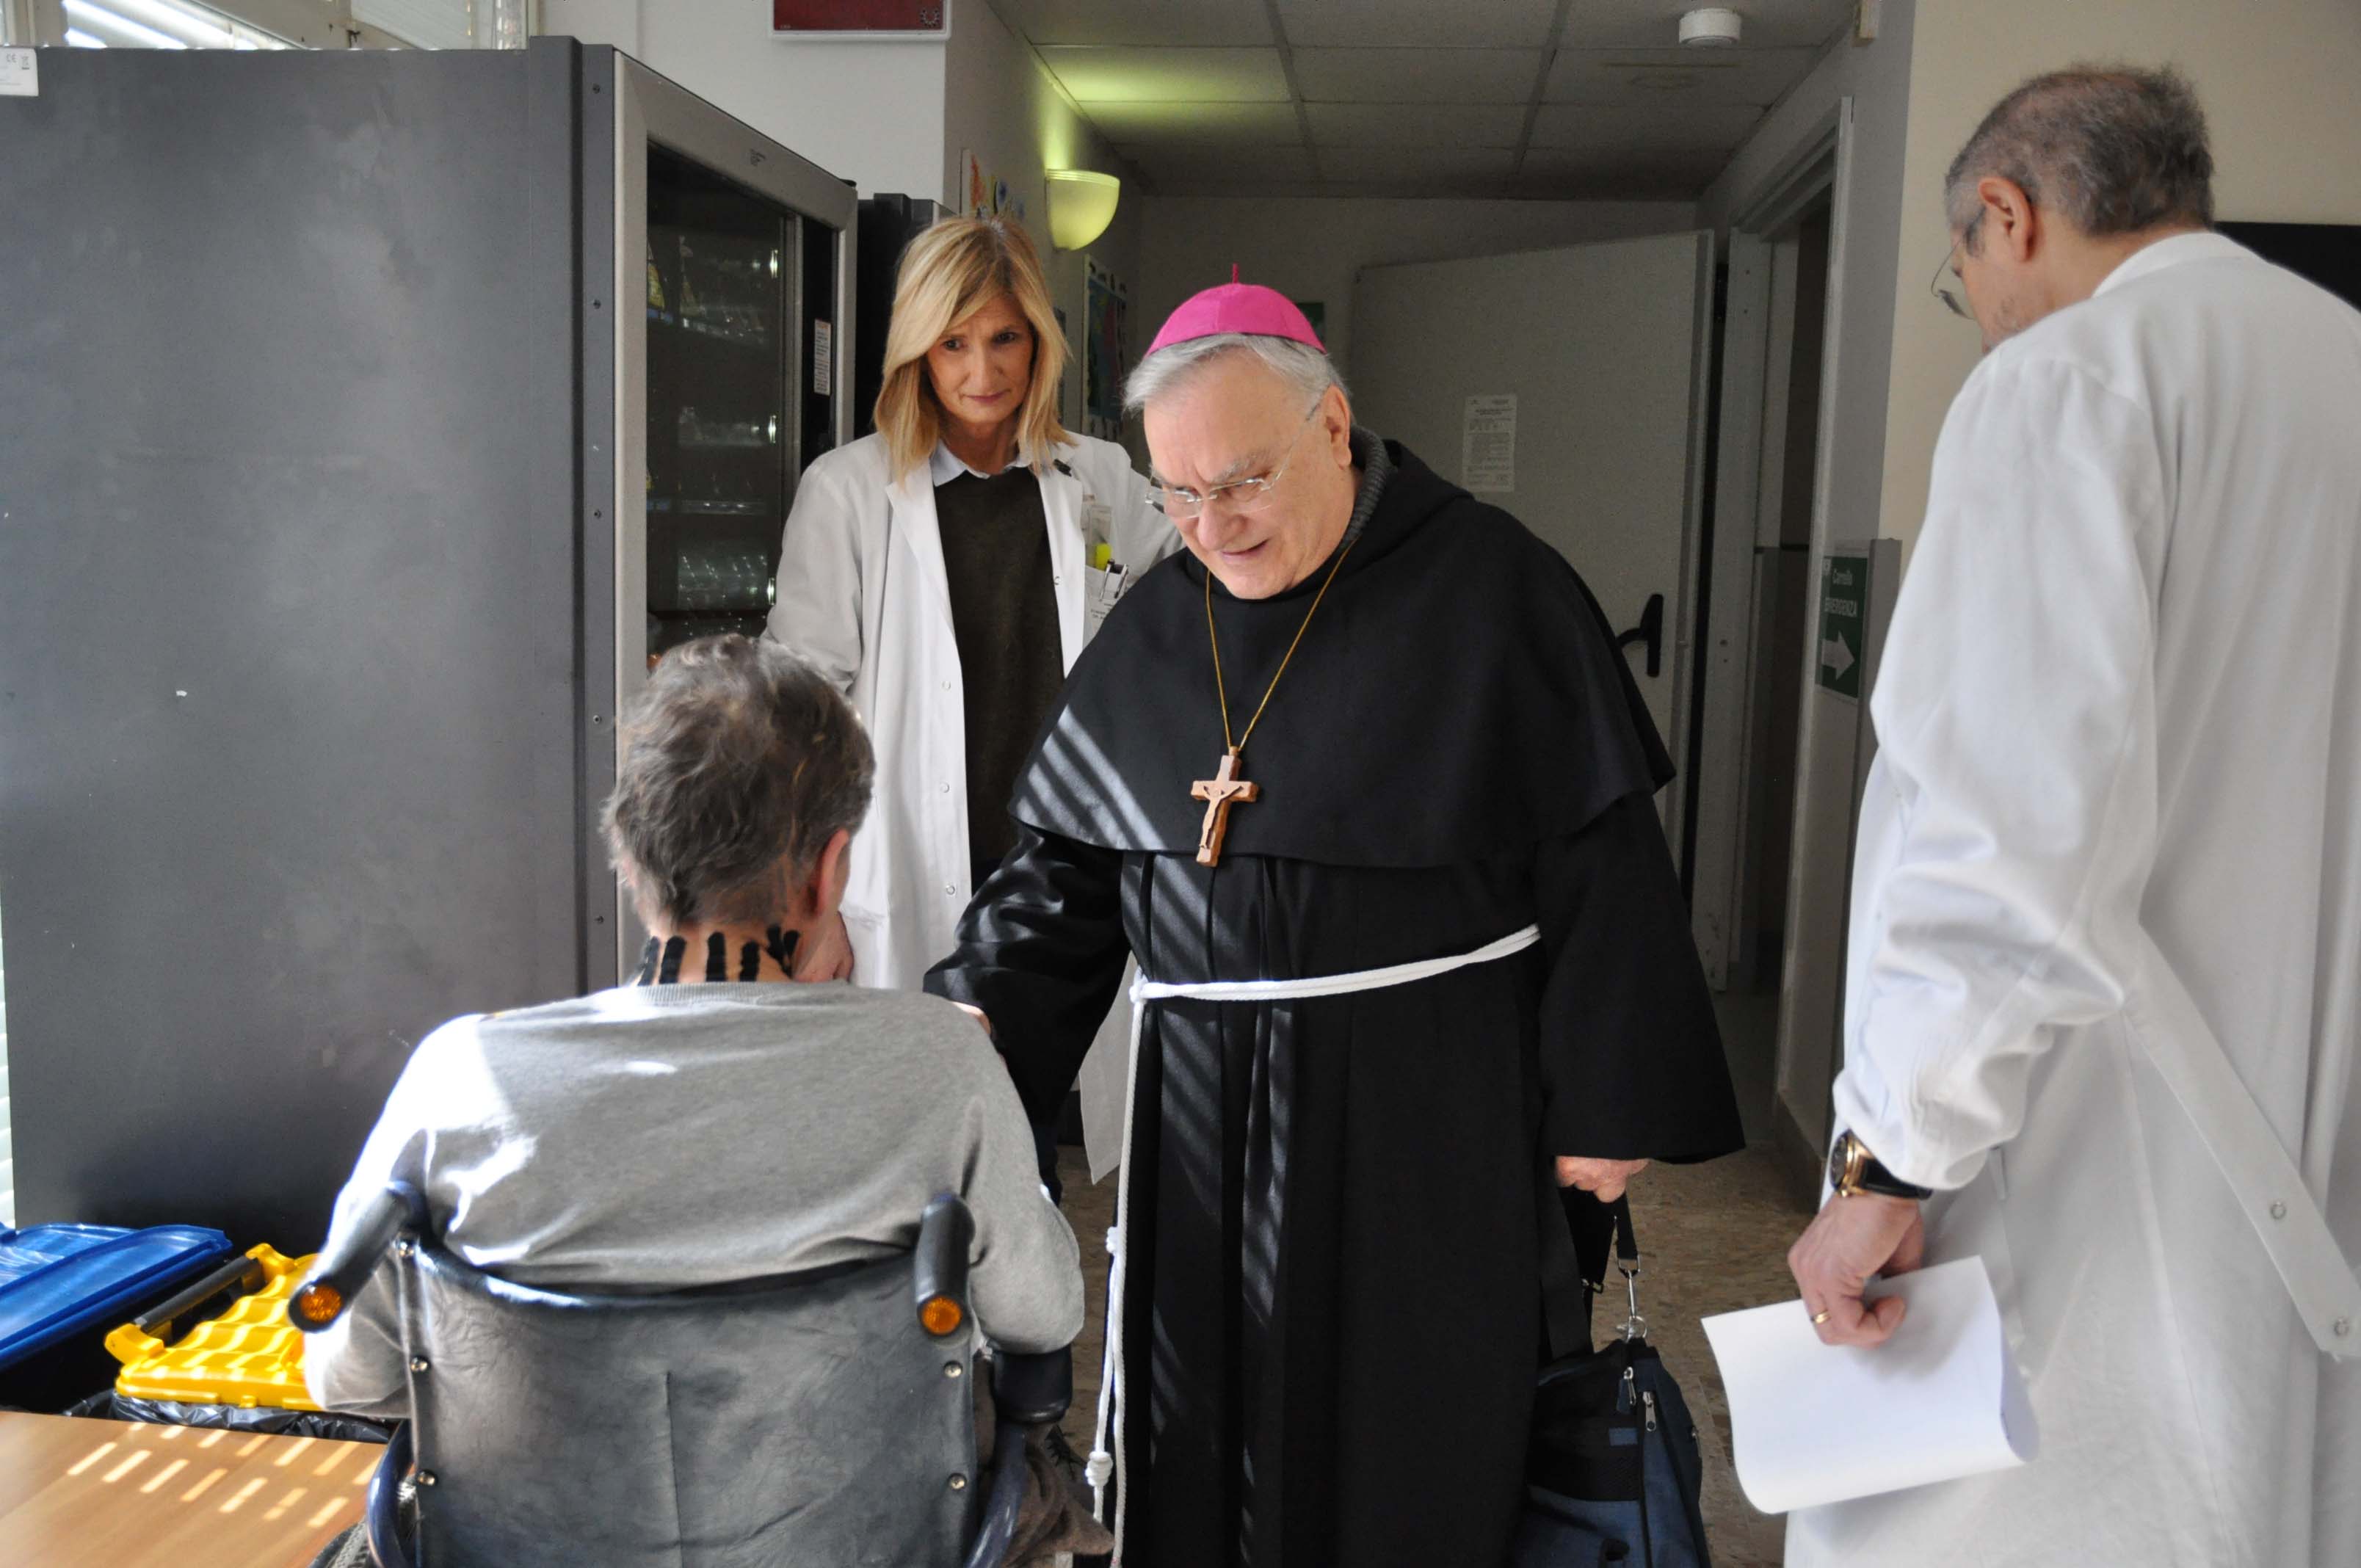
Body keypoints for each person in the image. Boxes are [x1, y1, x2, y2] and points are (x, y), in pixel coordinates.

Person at [924, 277, 1745, 1567]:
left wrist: (1607, 1096)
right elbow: (1069, 872)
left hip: (1430, 1122)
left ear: (1334, 426)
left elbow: (1604, 863)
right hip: (1200, 1143)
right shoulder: (1160, 619)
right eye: (1177, 494)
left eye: (1240, 482)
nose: (1211, 525)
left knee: (1416, 1447)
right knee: (1206, 1443)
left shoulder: (1494, 588)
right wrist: (976, 1008)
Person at [1783, 67, 2361, 1567]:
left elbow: (2012, 843)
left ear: (2008, 214)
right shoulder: (2339, 361)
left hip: (2097, 1149)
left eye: (1962, 269)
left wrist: (1890, 1163)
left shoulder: (2067, 384)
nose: (1977, 308)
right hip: (2311, 1136)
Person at [305, 635, 1084, 1421]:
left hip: (543, 1504)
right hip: (875, 1500)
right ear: (829, 871)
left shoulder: (462, 1076)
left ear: (631, 862)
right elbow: (1043, 1316)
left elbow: (347, 1378)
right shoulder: (942, 1063)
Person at [766, 217, 1175, 1003]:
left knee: (1047, 1077)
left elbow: (1201, 575)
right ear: (918, 351)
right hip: (906, 871)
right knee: (923, 1075)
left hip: (1063, 875)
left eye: (1004, 339)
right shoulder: (848, 492)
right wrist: (803, 906)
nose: (982, 371)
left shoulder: (1098, 477)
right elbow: (793, 720)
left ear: (1039, 342)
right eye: (953, 344)